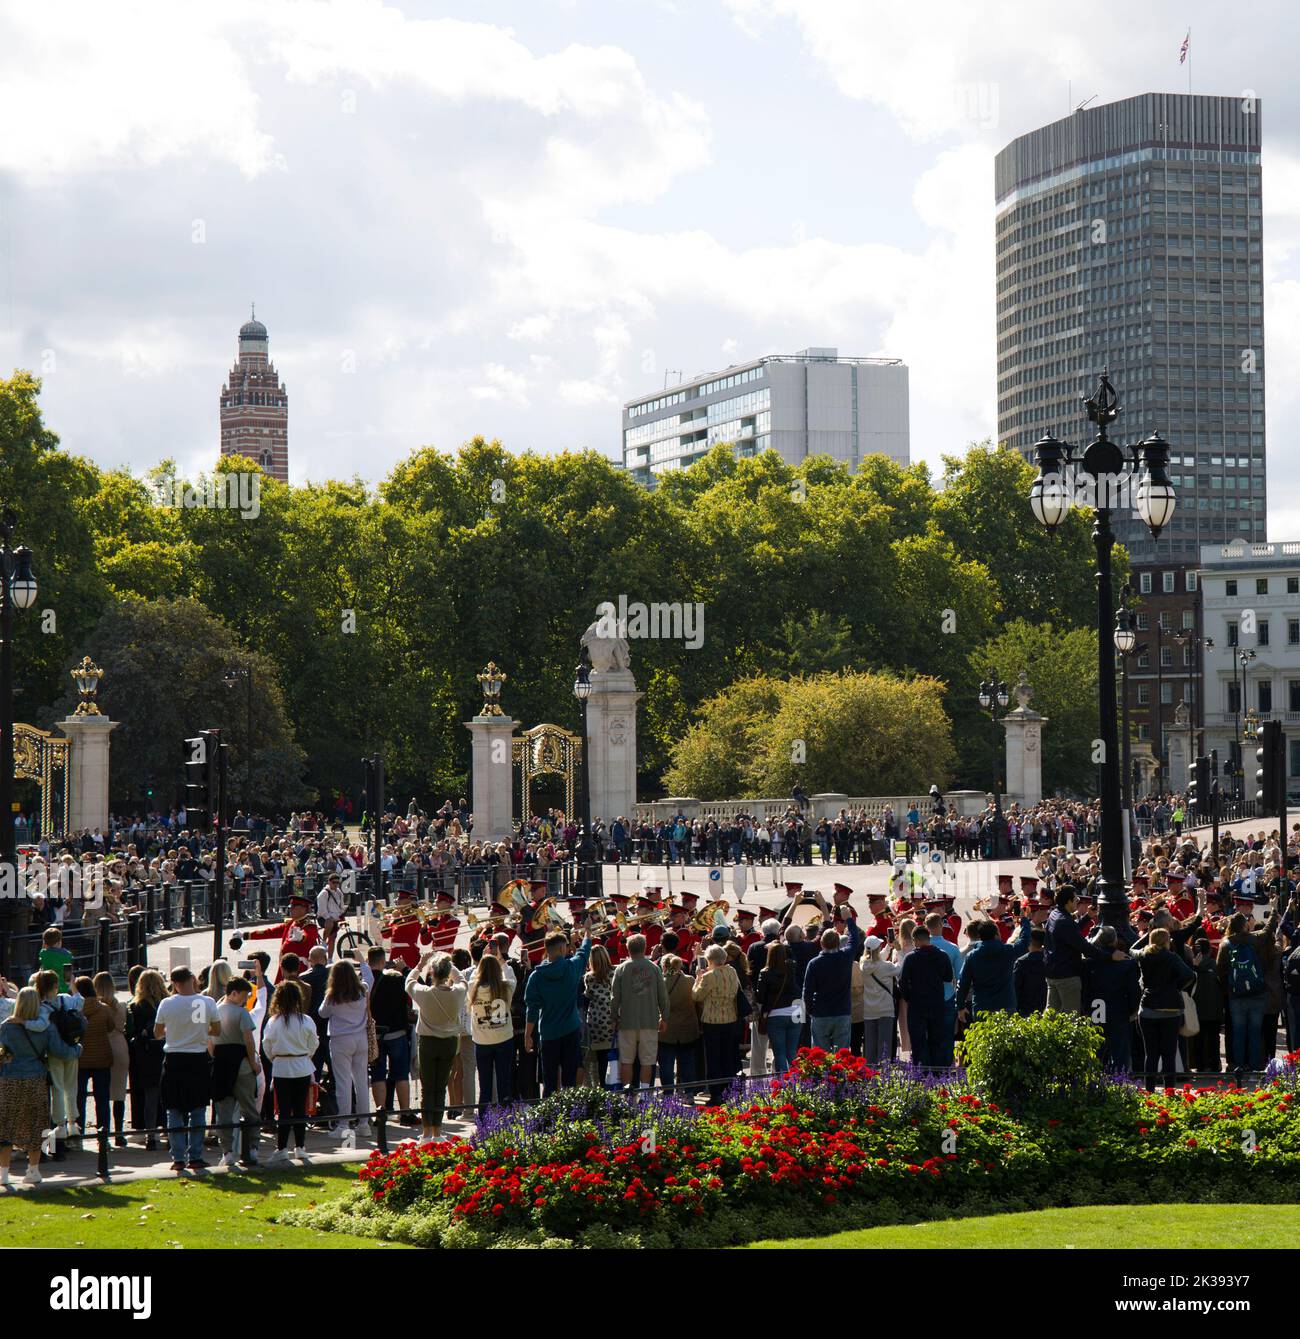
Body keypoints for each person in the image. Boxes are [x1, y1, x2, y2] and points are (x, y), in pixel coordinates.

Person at [0, 987, 82, 1187]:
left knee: (6, 1126)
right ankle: (34, 1169)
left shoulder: (6, 1026)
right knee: (38, 1124)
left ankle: (3, 1173)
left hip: (10, 1077)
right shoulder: (45, 1027)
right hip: (36, 1077)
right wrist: (77, 1049)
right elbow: (60, 1051)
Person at [153, 966, 221, 1173]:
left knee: (173, 1109)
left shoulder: (166, 1003)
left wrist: (175, 1032)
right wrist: (199, 1030)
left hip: (174, 1059)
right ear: (192, 979)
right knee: (198, 1109)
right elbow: (216, 1030)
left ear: (173, 983)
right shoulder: (205, 1002)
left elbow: (157, 1033)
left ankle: (178, 1157)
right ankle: (196, 1155)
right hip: (198, 1059)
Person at [524, 930, 593, 1096]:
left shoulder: (536, 976)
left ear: (546, 950)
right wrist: (587, 933)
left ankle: (549, 1116)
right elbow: (584, 953)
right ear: (563, 949)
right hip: (571, 1030)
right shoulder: (571, 968)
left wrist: (528, 1035)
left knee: (549, 1080)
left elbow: (532, 1009)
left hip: (548, 1033)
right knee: (569, 1079)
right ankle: (569, 1116)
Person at [406, 950, 466, 1138]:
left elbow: (409, 982)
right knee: (440, 1088)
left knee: (427, 1088)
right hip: (448, 1042)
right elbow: (462, 979)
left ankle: (426, 1132)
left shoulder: (425, 993)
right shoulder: (457, 993)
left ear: (432, 974)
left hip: (428, 1042)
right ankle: (437, 1131)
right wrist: (449, 964)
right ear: (447, 973)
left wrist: (420, 965)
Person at [262, 979, 319, 1164]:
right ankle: (300, 1146)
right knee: (300, 1108)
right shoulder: (306, 1020)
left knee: (284, 1109)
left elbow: (267, 1045)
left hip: (281, 1066)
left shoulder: (274, 1021)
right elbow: (314, 1043)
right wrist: (305, 1056)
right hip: (301, 1064)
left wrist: (275, 1058)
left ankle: (282, 1147)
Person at [1137, 927, 1196, 1091]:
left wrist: (1147, 936)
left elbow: (1132, 949)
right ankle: (1169, 1091)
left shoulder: (1144, 956)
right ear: (1166, 941)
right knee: (1168, 1053)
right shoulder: (1172, 957)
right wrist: (1176, 987)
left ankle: (1149, 1090)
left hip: (1148, 1008)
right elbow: (1189, 975)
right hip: (1170, 1009)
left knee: (1151, 1054)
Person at [1216, 910, 1276, 1073]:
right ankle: (1255, 1065)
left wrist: (1228, 988)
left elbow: (1220, 969)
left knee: (1238, 1031)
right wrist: (1273, 911)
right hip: (1257, 992)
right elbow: (1268, 930)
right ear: (1244, 925)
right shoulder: (1254, 939)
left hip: (1236, 994)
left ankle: (1239, 1065)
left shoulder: (1226, 943)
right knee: (1255, 1031)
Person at [212, 976, 262, 1168]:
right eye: (244, 996)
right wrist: (253, 1063)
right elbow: (249, 1040)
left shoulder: (214, 1010)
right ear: (233, 993)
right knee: (249, 1106)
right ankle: (252, 1148)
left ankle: (227, 1151)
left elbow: (210, 1040)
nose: (246, 1000)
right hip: (241, 1063)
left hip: (221, 1063)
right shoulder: (242, 1013)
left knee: (223, 1110)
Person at [611, 934, 670, 1090]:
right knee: (647, 1061)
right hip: (649, 1021)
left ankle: (628, 1095)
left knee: (626, 1060)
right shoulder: (654, 968)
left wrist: (613, 1018)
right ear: (644, 948)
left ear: (628, 949)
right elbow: (663, 996)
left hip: (627, 1021)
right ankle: (645, 1094)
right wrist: (664, 1017)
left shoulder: (621, 969)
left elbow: (614, 997)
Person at [318, 960, 371, 1134]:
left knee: (343, 1083)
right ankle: (364, 1124)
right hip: (361, 1037)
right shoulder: (362, 990)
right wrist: (362, 963)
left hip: (341, 1039)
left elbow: (322, 1013)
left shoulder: (332, 995)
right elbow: (369, 977)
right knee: (362, 1082)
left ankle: (344, 1125)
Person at [800, 914, 864, 1052]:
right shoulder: (845, 957)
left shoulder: (814, 963)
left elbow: (807, 991)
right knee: (841, 1056)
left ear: (821, 944)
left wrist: (811, 1011)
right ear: (838, 943)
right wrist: (848, 919)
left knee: (820, 1056)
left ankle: (824, 1075)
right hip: (842, 1013)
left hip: (821, 1013)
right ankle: (840, 1074)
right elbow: (855, 938)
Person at [367, 948, 414, 1124]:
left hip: (376, 1034)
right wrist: (404, 969)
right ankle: (406, 1112)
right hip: (397, 1032)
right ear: (383, 960)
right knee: (401, 1074)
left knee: (378, 1075)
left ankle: (381, 1114)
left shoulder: (365, 980)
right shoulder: (396, 979)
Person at [955, 916, 1031, 1024]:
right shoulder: (1007, 951)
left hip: (981, 1007)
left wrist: (960, 1007)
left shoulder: (972, 956)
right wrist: (1024, 920)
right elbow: (1024, 942)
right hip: (1006, 1005)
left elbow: (963, 983)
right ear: (996, 935)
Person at [1085, 926, 1141, 1071]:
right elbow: (1133, 990)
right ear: (1115, 941)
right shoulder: (1126, 963)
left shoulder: (1089, 962)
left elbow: (1085, 989)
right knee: (1120, 1052)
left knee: (1097, 1050)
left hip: (1097, 1008)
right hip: (1119, 1008)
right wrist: (1132, 1010)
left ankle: (1095, 1080)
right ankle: (1119, 1083)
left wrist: (1086, 1009)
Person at [692, 944, 741, 1105]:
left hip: (712, 1021)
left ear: (709, 960)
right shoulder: (732, 971)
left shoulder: (709, 976)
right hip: (730, 1018)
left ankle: (716, 1094)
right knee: (727, 1057)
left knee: (713, 1059)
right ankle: (729, 1091)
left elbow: (697, 996)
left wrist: (698, 978)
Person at [897, 927, 953, 1066]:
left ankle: (922, 1073)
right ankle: (938, 1072)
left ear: (915, 940)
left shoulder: (911, 958)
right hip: (937, 1003)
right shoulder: (942, 955)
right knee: (937, 1040)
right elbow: (948, 977)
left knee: (918, 1041)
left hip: (917, 1005)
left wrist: (909, 998)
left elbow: (902, 982)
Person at [1044, 885, 1104, 1013]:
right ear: (1068, 901)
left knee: (1051, 1016)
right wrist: (1109, 956)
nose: (1078, 901)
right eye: (1075, 899)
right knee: (1072, 1017)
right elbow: (1084, 947)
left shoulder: (1055, 914)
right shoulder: (1064, 921)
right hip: (1067, 977)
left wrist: (1087, 917)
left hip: (1053, 973)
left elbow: (1070, 934)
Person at [126, 969, 166, 1150]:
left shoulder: (136, 1006)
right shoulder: (166, 1003)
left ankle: (151, 1136)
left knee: (150, 1096)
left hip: (145, 1054)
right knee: (168, 1095)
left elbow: (132, 1032)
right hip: (165, 1051)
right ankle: (170, 1132)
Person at [468, 952, 515, 1106]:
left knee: (485, 1086)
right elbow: (511, 976)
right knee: (504, 1084)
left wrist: (482, 959)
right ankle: (505, 1119)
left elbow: (473, 976)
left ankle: (483, 1120)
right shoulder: (506, 986)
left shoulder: (472, 988)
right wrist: (502, 962)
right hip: (504, 1038)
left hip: (482, 1041)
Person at [74, 973, 115, 1144]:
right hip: (102, 1058)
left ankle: (78, 1135)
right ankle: (103, 1135)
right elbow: (111, 1028)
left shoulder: (76, 1010)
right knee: (102, 1099)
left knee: (79, 1099)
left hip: (81, 1058)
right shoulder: (104, 1008)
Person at [96, 972, 130, 1148]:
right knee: (119, 1094)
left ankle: (104, 1134)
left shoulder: (96, 1007)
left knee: (101, 1094)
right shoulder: (121, 1005)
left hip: (102, 1045)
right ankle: (119, 1133)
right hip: (119, 1045)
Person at [756, 940, 800, 1075]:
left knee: (779, 1052)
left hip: (776, 1014)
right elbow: (792, 955)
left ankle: (784, 1085)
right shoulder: (792, 967)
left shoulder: (765, 973)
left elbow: (760, 998)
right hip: (795, 1013)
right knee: (792, 1052)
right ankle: (798, 1083)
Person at [658, 953, 700, 1090]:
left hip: (666, 1030)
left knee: (666, 1065)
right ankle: (689, 1093)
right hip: (687, 1029)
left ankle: (668, 1094)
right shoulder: (690, 980)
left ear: (664, 966)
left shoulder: (660, 983)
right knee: (688, 1063)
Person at [859, 936, 899, 1064]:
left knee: (870, 1045)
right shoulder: (886, 966)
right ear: (878, 949)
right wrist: (900, 952)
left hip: (869, 1010)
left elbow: (875, 959)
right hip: (885, 1009)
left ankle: (870, 1072)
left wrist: (888, 947)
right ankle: (884, 1074)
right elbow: (899, 969)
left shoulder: (863, 964)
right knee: (884, 1046)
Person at [580, 943, 615, 1088]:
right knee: (614, 1057)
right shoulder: (615, 973)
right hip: (612, 1018)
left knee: (600, 1058)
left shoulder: (589, 977)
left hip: (596, 1020)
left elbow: (588, 995)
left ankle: (602, 1085)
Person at [1013, 929, 1049, 1015]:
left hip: (1025, 1006)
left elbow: (1016, 986)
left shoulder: (1021, 962)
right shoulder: (1049, 960)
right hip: (1046, 1004)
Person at [37, 926, 74, 993]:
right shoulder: (67, 956)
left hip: (47, 988)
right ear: (59, 942)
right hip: (63, 988)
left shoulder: (43, 954)